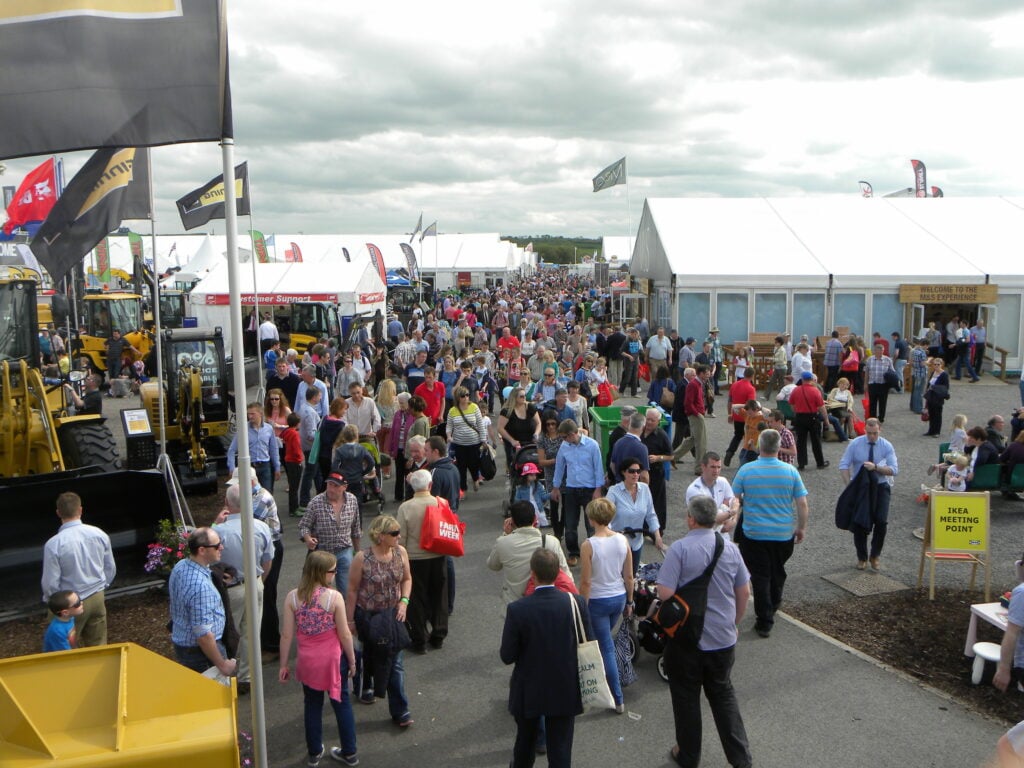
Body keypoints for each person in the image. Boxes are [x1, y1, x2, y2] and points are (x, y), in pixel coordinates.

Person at [658, 495, 753, 768]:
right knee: (723, 696)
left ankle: (688, 755)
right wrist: (734, 623)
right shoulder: (730, 549)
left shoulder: (680, 549)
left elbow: (665, 592)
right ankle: (741, 759)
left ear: (691, 518)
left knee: (686, 699)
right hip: (723, 638)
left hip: (687, 639)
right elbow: (744, 591)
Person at [500, 548, 594, 768]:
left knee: (525, 744)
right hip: (565, 687)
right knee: (560, 750)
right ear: (558, 572)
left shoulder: (518, 609)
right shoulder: (576, 603)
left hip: (529, 689)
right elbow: (588, 640)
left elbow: (507, 655)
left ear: (533, 574)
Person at [279, 551, 359, 768]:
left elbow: (286, 635)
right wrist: (352, 661)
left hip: (308, 661)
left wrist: (284, 664)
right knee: (341, 704)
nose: (335, 574)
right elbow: (344, 634)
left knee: (312, 705)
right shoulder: (334, 597)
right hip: (333, 660)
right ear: (322, 573)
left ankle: (314, 752)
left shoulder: (292, 598)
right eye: (332, 570)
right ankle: (350, 752)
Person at [731, 429, 809, 638]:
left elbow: (734, 499)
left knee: (760, 576)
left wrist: (732, 518)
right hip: (783, 534)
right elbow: (801, 503)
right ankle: (774, 601)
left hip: (754, 533)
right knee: (777, 569)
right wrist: (801, 528)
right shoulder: (791, 471)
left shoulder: (746, 470)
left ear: (759, 445)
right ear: (777, 447)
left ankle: (765, 620)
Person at [346, 514, 414, 727]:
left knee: (395, 662)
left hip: (392, 616)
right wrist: (349, 622)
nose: (399, 536)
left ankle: (400, 710)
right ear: (380, 535)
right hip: (368, 616)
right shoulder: (362, 558)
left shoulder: (400, 552)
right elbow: (352, 590)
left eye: (398, 532)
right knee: (366, 655)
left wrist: (404, 601)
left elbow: (407, 579)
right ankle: (364, 687)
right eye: (394, 533)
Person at [215, 483, 274, 693]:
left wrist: (214, 524)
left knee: (227, 633)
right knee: (251, 633)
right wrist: (259, 581)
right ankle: (246, 677)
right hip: (255, 583)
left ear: (226, 503)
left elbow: (206, 559)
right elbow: (268, 562)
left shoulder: (218, 532)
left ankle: (226, 673)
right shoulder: (261, 527)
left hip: (230, 589)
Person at [579, 497, 633, 714]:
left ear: (592, 519)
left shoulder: (588, 545)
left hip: (598, 601)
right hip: (618, 597)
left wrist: (582, 605)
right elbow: (629, 576)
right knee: (605, 641)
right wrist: (630, 601)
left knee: (606, 647)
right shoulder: (622, 540)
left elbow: (585, 582)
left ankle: (617, 697)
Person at [41, 491, 115, 647]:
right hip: (97, 596)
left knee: (66, 648)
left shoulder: (54, 544)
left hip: (68, 603)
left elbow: (50, 583)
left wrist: (54, 602)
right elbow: (110, 568)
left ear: (58, 513)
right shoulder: (99, 534)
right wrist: (102, 587)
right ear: (80, 510)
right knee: (98, 645)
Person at [168, 527, 237, 677]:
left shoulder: (180, 567)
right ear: (202, 550)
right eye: (217, 545)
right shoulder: (200, 587)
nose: (222, 547)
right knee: (216, 698)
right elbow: (203, 635)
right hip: (202, 654)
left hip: (186, 647)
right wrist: (223, 665)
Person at [396, 469, 449, 653]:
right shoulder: (441, 503)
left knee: (416, 599)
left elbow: (400, 538)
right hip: (438, 555)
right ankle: (439, 634)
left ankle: (418, 639)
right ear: (430, 485)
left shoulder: (406, 507)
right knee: (439, 596)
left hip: (415, 558)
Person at [838, 418, 898, 571]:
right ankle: (862, 557)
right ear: (865, 430)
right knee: (860, 522)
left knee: (881, 521)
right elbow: (844, 465)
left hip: (880, 486)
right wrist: (849, 485)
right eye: (869, 433)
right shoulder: (855, 444)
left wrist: (876, 467)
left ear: (880, 430)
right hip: (861, 488)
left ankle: (875, 555)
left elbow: (894, 470)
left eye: (875, 433)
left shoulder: (886, 446)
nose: (872, 436)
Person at [488, 499, 571, 606]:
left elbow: (493, 565)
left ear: (512, 521)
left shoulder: (503, 543)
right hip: (547, 605)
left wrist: (505, 534)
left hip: (515, 604)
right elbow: (566, 574)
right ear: (535, 518)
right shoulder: (551, 542)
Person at [299, 471, 362, 596]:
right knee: (319, 592)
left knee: (347, 590)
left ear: (344, 487)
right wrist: (307, 538)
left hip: (345, 551)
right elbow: (304, 525)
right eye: (329, 485)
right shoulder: (316, 502)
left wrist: (357, 551)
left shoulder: (352, 500)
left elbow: (356, 528)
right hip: (322, 553)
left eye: (336, 486)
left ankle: (345, 614)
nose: (331, 489)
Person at [552, 419, 604, 567]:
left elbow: (598, 468)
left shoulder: (592, 445)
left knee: (592, 524)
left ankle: (594, 553)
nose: (563, 440)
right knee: (570, 524)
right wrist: (556, 487)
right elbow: (560, 467)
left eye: (564, 437)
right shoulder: (564, 446)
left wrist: (598, 490)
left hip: (589, 490)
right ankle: (573, 552)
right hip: (571, 489)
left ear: (572, 434)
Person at [606, 457, 667, 568]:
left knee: (632, 575)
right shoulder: (613, 491)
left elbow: (651, 515)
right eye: (631, 471)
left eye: (638, 471)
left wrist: (657, 537)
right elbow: (605, 517)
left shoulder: (644, 489)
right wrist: (611, 534)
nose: (635, 474)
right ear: (623, 472)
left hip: (637, 543)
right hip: (618, 544)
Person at [227, 401, 281, 492]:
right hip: (249, 467)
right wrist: (231, 468)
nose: (250, 416)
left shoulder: (268, 429)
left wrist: (277, 467)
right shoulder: (243, 429)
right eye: (248, 414)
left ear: (260, 414)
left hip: (265, 466)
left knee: (267, 493)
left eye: (252, 414)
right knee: (250, 495)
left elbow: (273, 449)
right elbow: (231, 450)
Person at [685, 451, 740, 537]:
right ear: (703, 467)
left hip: (722, 535)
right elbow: (710, 519)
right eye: (713, 467)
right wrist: (731, 512)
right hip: (701, 537)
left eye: (719, 467)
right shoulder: (694, 490)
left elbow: (734, 502)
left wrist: (733, 521)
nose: (716, 471)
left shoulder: (723, 482)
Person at [447, 385, 487, 493]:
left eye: (468, 395)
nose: (466, 398)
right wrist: (449, 436)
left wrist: (484, 441)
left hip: (474, 443)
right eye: (463, 396)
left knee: (474, 464)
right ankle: (463, 489)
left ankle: (475, 479)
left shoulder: (474, 407)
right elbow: (449, 426)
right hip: (459, 443)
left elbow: (480, 425)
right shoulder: (452, 411)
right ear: (458, 397)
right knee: (461, 467)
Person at [640, 407, 674, 532]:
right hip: (640, 473)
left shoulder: (661, 435)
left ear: (658, 422)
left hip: (655, 473)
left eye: (652, 420)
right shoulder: (639, 430)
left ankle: (658, 530)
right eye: (647, 419)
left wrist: (658, 457)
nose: (649, 422)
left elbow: (671, 455)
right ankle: (643, 529)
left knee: (657, 502)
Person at [788, 371, 830, 471]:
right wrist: (826, 419)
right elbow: (821, 407)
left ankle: (801, 464)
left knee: (800, 441)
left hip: (800, 417)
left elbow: (791, 405)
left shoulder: (796, 390)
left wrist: (796, 412)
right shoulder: (815, 391)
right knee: (816, 441)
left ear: (802, 380)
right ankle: (820, 463)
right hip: (812, 417)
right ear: (811, 380)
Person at [499, 386, 541, 470]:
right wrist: (512, 441)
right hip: (514, 443)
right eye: (521, 396)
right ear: (514, 397)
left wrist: (536, 434)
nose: (524, 398)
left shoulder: (530, 407)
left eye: (524, 395)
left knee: (533, 465)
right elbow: (500, 428)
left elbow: (538, 423)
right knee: (515, 466)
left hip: (530, 441)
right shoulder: (507, 411)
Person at [864, 342, 896, 422]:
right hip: (873, 384)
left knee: (883, 402)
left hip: (883, 384)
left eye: (881, 351)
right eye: (878, 351)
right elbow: (866, 372)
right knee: (872, 402)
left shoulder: (888, 360)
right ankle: (872, 418)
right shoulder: (869, 360)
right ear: (875, 351)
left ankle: (881, 418)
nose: (880, 353)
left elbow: (892, 372)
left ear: (883, 351)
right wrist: (865, 384)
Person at [924, 358, 951, 437]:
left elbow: (946, 387)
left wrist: (935, 388)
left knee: (937, 415)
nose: (936, 366)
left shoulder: (944, 374)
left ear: (941, 365)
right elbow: (929, 383)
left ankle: (937, 432)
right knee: (931, 413)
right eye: (935, 364)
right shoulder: (933, 372)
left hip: (938, 397)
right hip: (931, 395)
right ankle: (931, 430)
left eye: (938, 364)